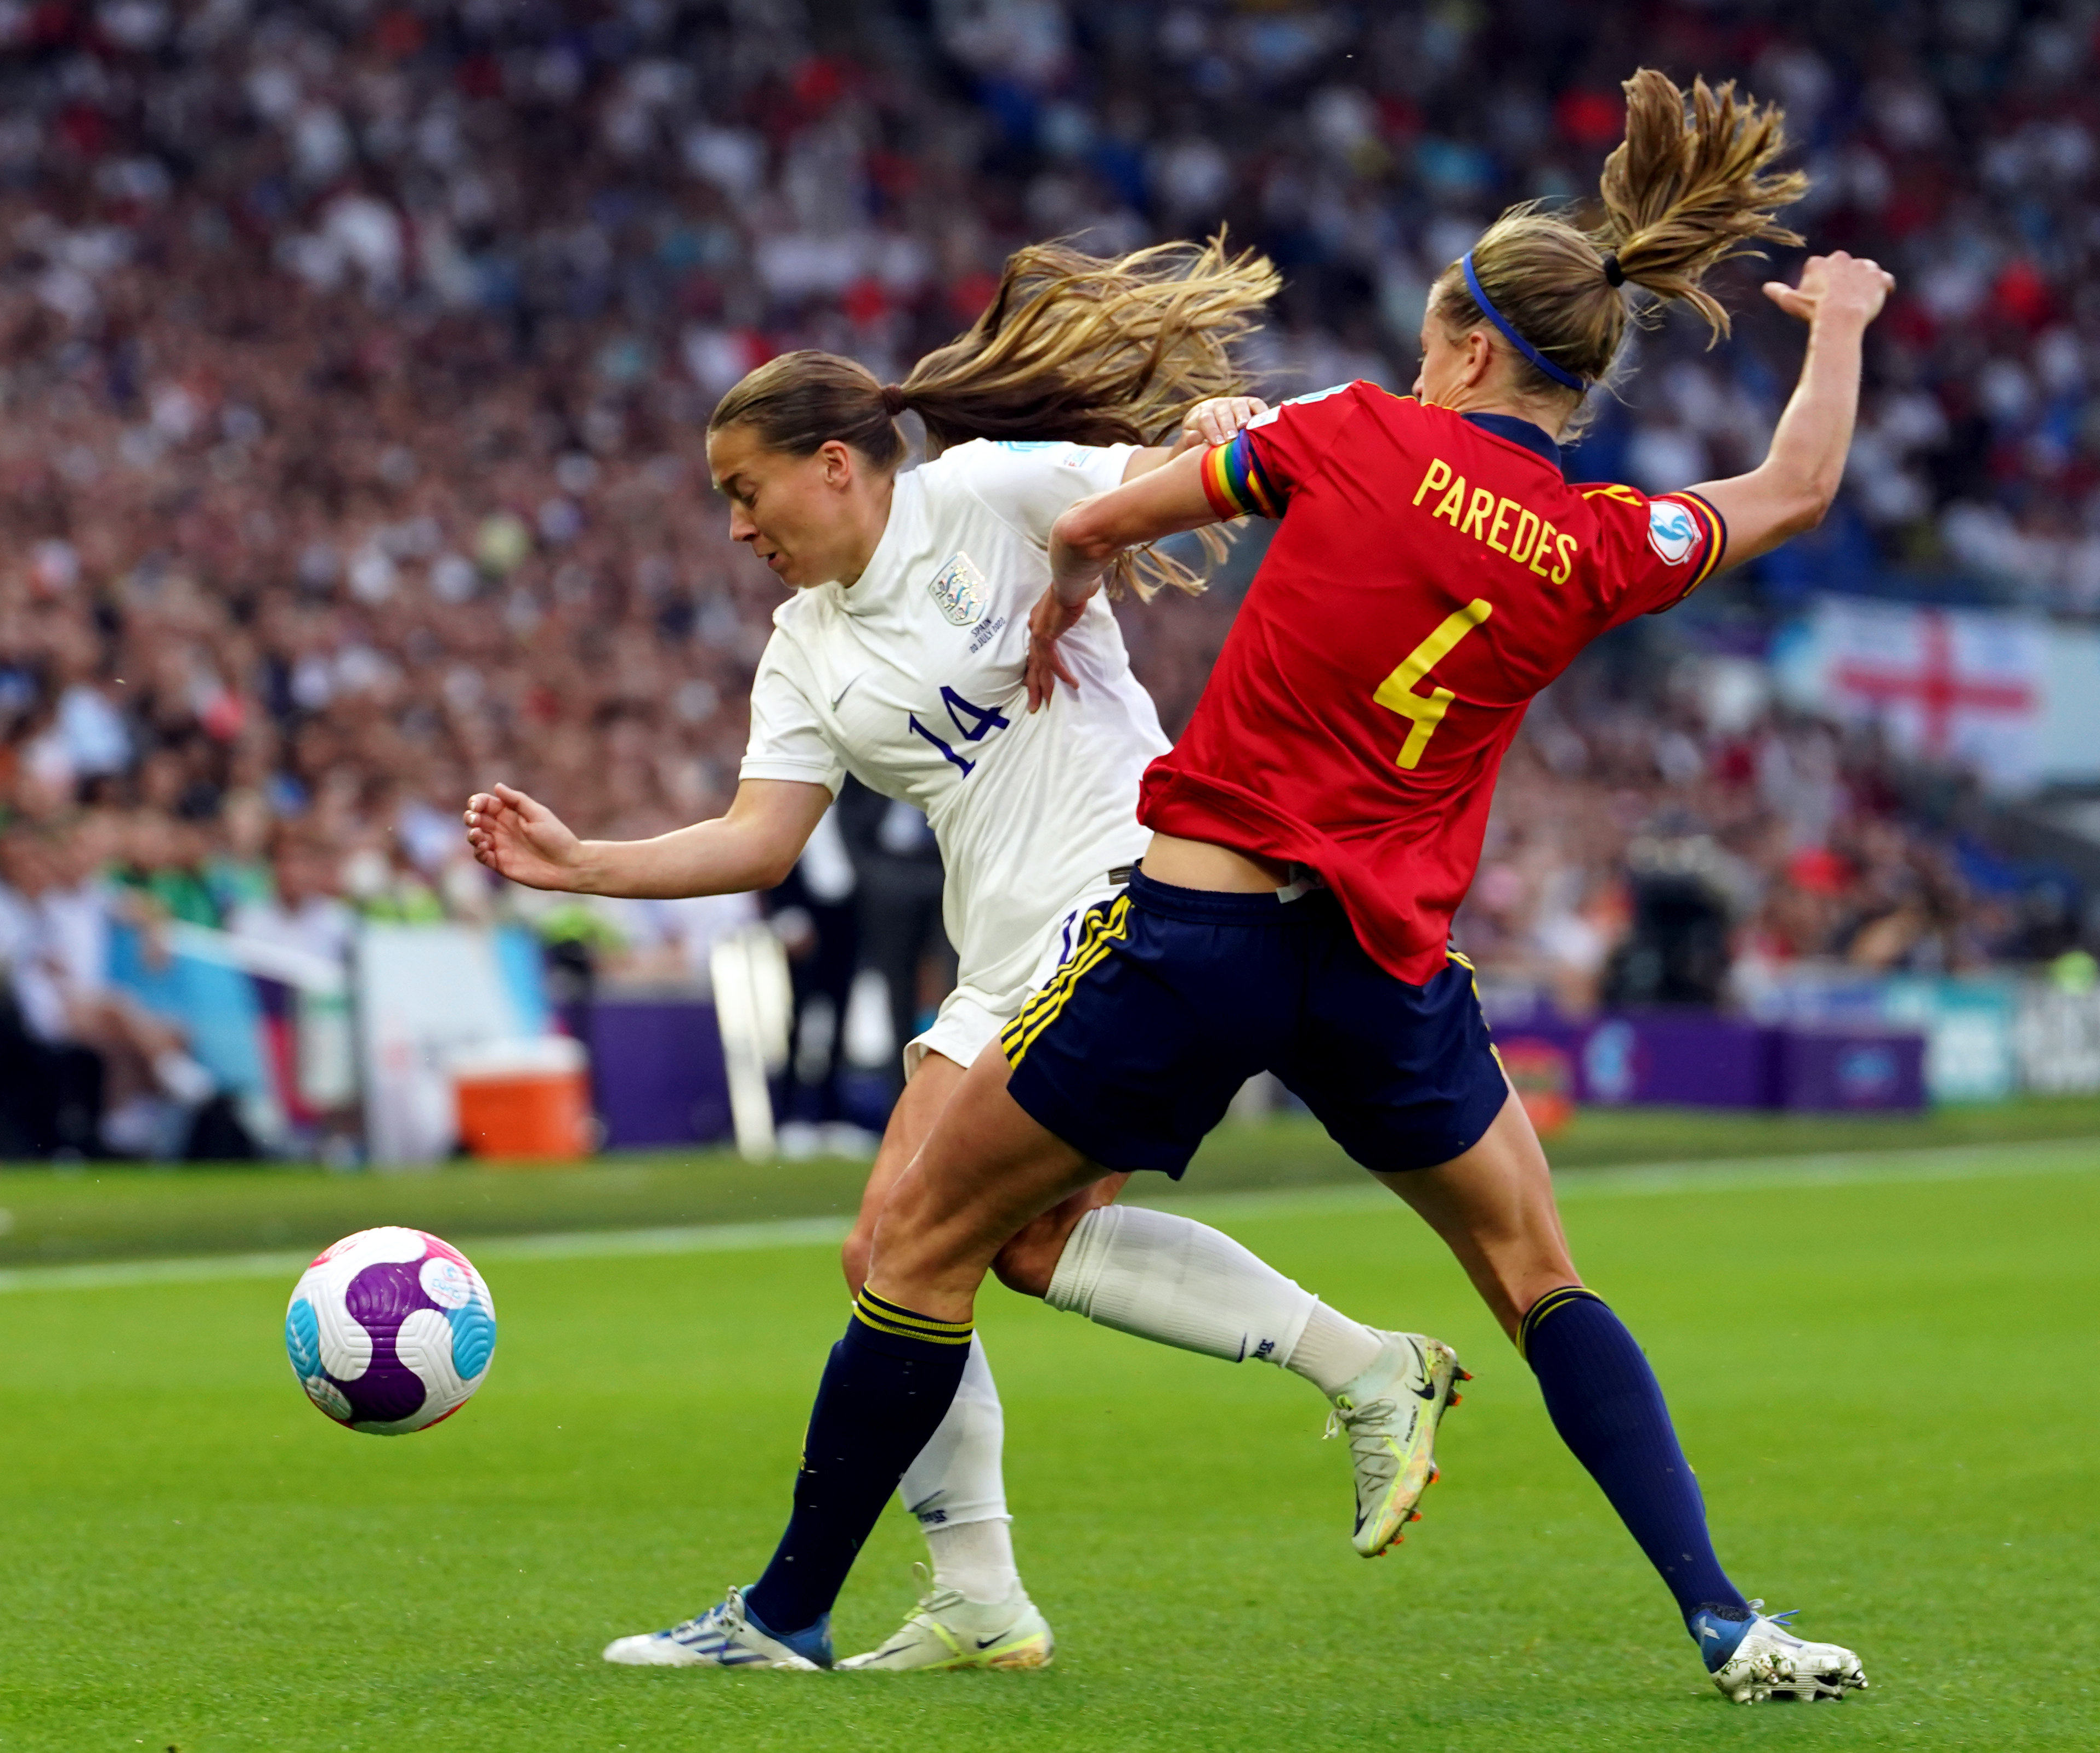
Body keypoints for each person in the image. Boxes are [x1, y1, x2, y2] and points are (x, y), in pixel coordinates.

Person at [664, 72, 1889, 1703]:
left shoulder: (1344, 434)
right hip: (1387, 967)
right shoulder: (1603, 540)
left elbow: (1111, 510)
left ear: (1459, 344)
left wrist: (1075, 579)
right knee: (1540, 1280)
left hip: (1199, 932)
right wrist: (1842, 325)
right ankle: (1731, 1620)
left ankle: (791, 1609)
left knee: (918, 1242)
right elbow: (1792, 493)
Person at [466, 239, 1462, 1673]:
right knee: (916, 1249)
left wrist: (1207, 433)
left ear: (834, 463)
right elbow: (758, 840)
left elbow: (1178, 475)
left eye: (744, 492)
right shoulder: (803, 645)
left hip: (1132, 898)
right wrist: (584, 864)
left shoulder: (986, 490)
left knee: (930, 1245)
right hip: (1005, 956)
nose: (737, 528)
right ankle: (987, 1589)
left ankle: (796, 1607)